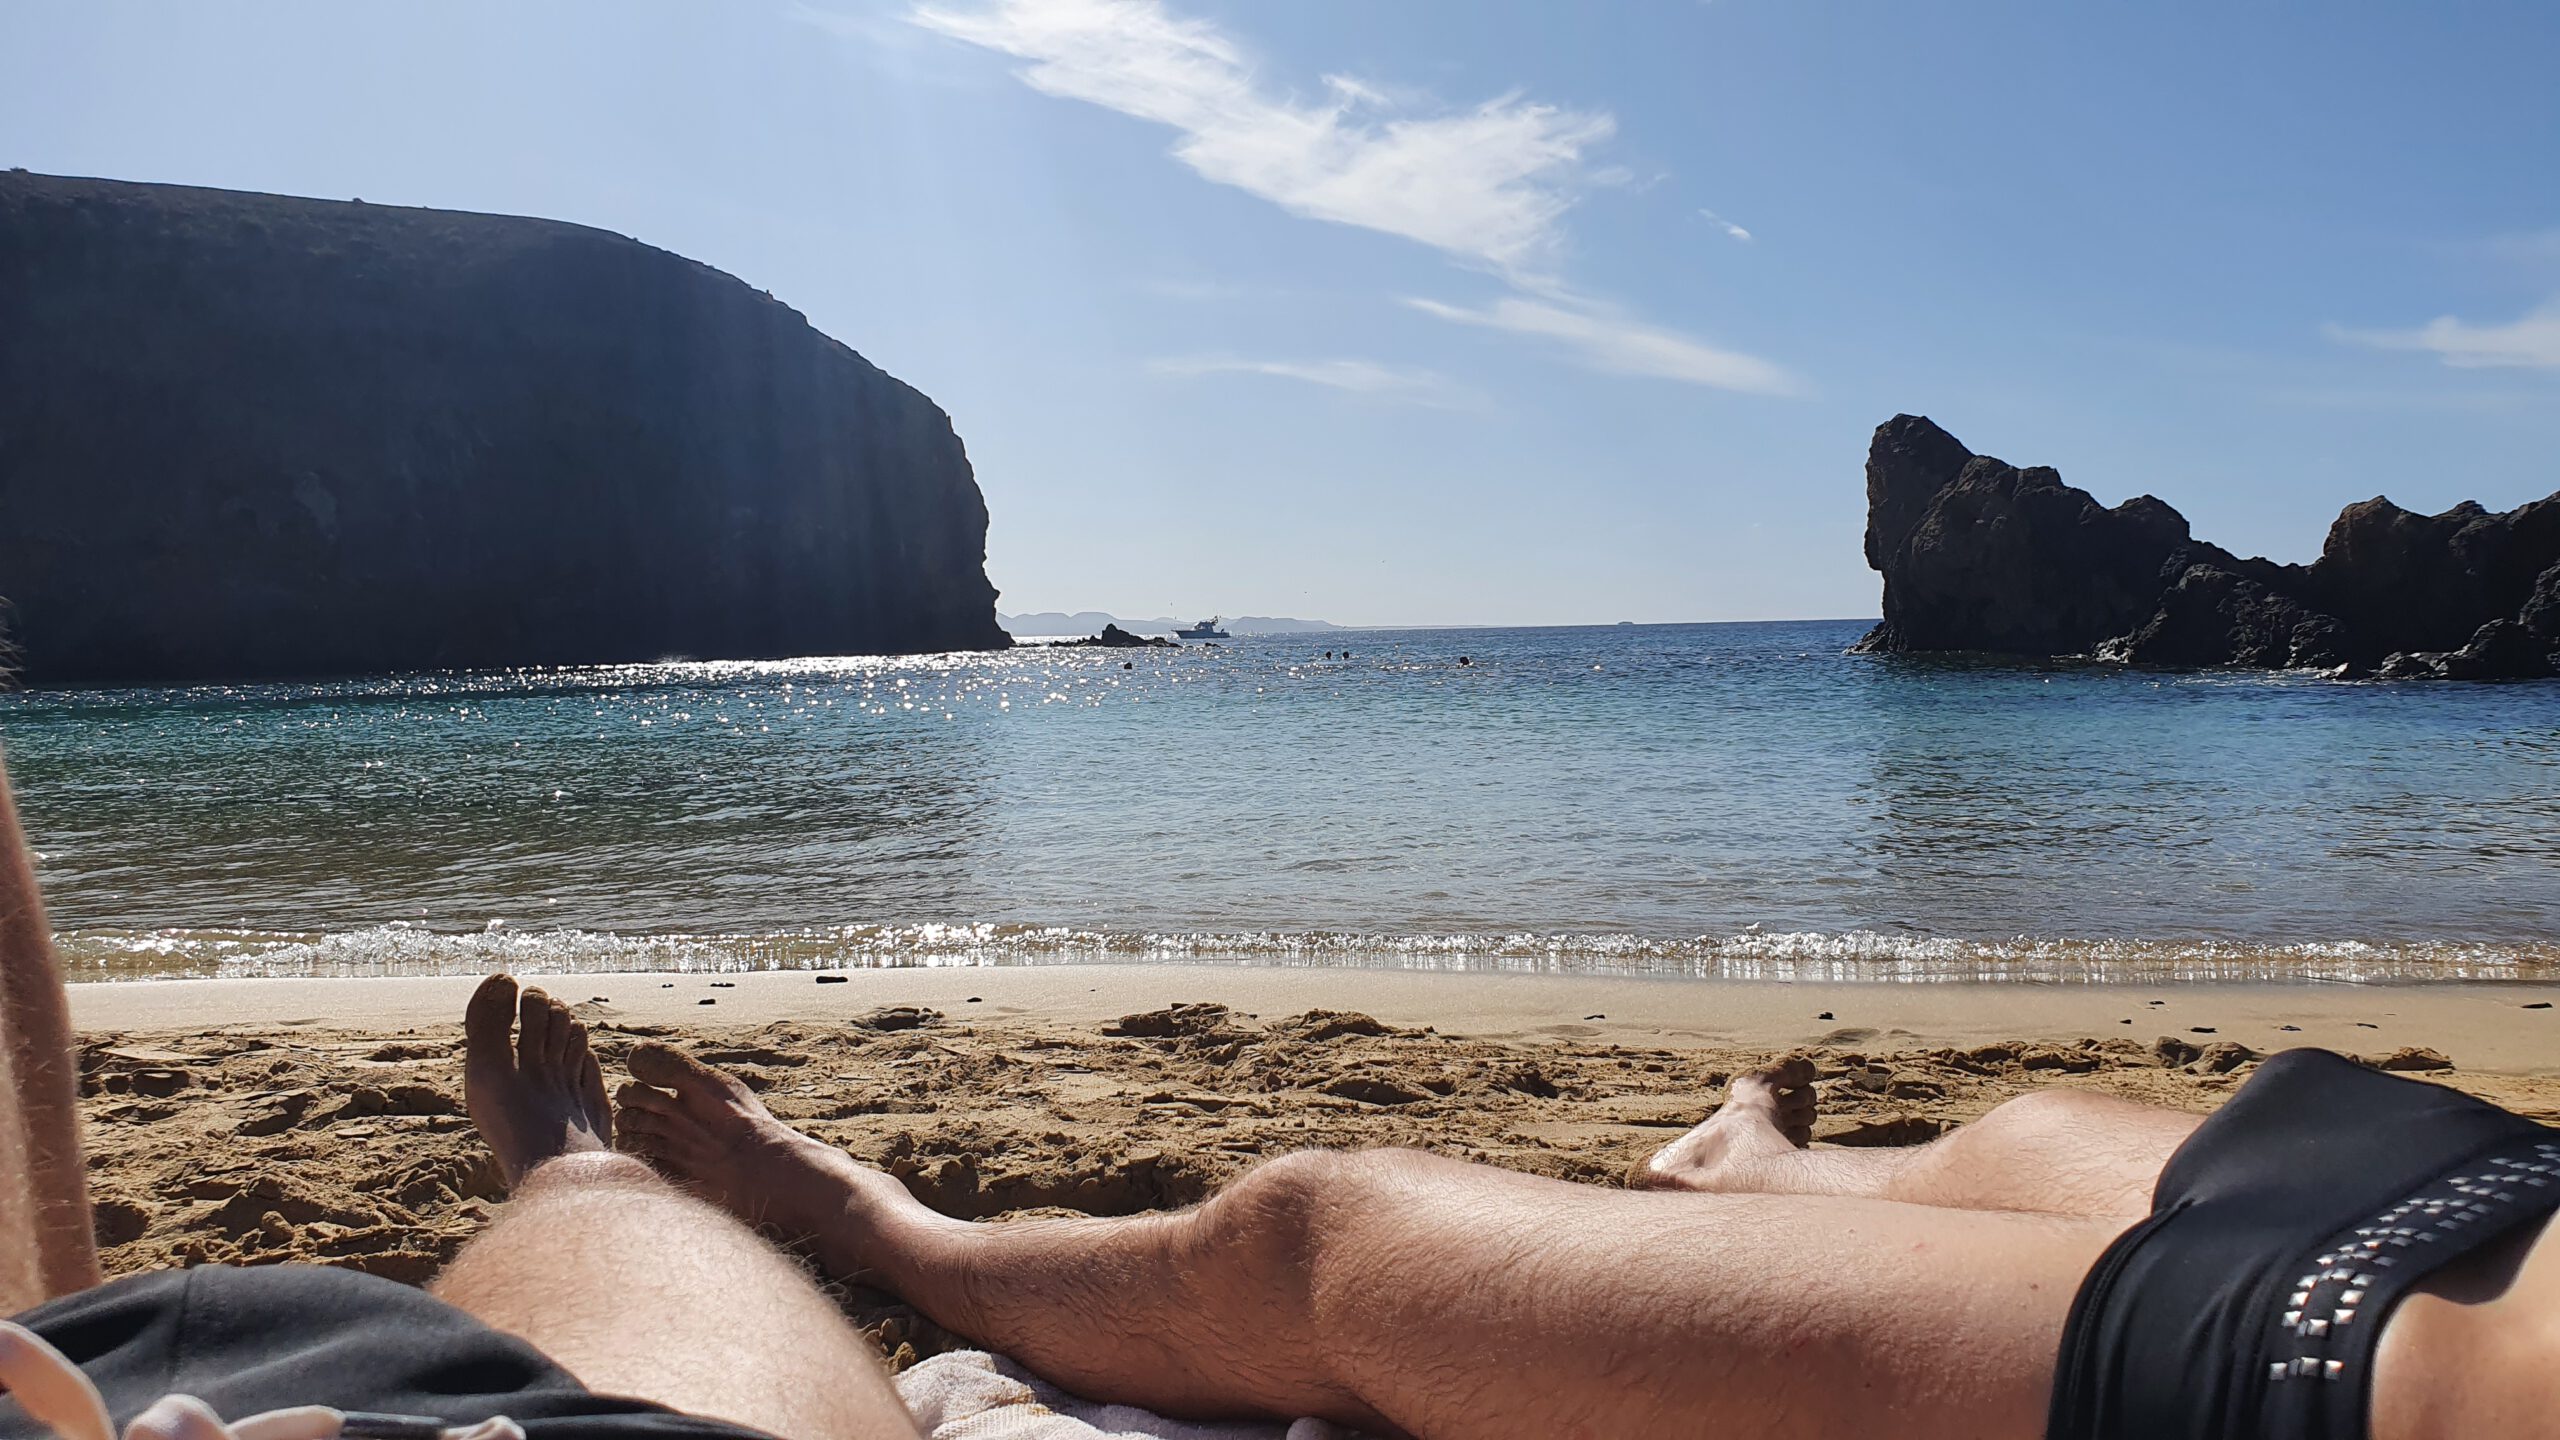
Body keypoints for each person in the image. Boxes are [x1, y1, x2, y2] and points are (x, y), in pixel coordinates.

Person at [5, 740, 2557, 1440]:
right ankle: (1765, 1163)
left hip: (2343, 1370)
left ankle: (885, 1236)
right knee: (2041, 1151)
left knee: (1316, 1240)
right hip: (2476, 1221)